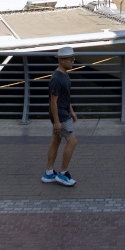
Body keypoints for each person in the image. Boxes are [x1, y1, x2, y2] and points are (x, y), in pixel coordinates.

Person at [43, 48, 79, 185]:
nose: (72, 62)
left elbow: (65, 97)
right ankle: (63, 174)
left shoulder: (65, 75)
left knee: (56, 141)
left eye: (73, 59)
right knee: (72, 141)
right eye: (70, 59)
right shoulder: (56, 79)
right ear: (61, 60)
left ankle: (49, 173)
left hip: (64, 113)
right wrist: (57, 121)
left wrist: (72, 111)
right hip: (61, 116)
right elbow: (53, 101)